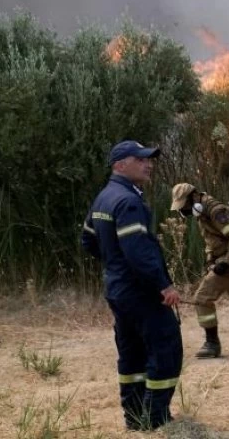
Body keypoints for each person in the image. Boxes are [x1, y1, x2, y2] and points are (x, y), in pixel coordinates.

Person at [79, 140, 183, 432]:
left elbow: (88, 240)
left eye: (148, 159)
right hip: (141, 292)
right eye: (140, 159)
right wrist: (164, 285)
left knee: (132, 353)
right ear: (119, 165)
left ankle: (135, 419)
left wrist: (115, 265)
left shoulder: (104, 197)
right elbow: (139, 252)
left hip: (118, 290)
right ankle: (155, 418)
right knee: (166, 349)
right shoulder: (128, 201)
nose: (148, 164)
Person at [169, 183, 229, 358]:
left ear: (194, 197)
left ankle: (212, 344)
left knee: (202, 298)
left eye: (184, 205)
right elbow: (212, 240)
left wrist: (226, 262)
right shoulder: (203, 212)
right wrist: (211, 260)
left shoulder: (215, 211)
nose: (183, 211)